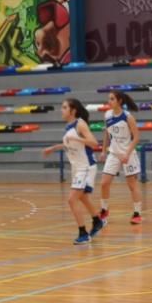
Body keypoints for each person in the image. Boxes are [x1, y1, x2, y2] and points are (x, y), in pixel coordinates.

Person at [42, 98, 105, 244]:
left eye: (64, 107)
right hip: (77, 167)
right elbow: (69, 143)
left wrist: (79, 140)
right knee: (82, 197)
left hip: (86, 166)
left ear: (73, 110)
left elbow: (94, 143)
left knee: (72, 199)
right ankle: (97, 221)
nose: (61, 110)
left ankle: (83, 233)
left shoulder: (80, 124)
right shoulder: (68, 126)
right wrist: (53, 148)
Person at [98, 91, 144, 225]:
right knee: (104, 183)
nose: (109, 101)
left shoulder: (128, 117)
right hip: (113, 153)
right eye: (109, 98)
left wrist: (127, 153)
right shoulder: (107, 115)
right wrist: (103, 151)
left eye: (112, 99)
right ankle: (104, 210)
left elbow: (136, 137)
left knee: (132, 185)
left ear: (119, 101)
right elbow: (107, 133)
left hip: (128, 154)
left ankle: (137, 213)